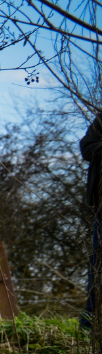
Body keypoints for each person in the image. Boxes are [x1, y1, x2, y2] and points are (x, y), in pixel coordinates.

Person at [83, 112, 102, 329]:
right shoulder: (101, 120)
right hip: (101, 213)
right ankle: (90, 321)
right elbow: (87, 149)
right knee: (97, 265)